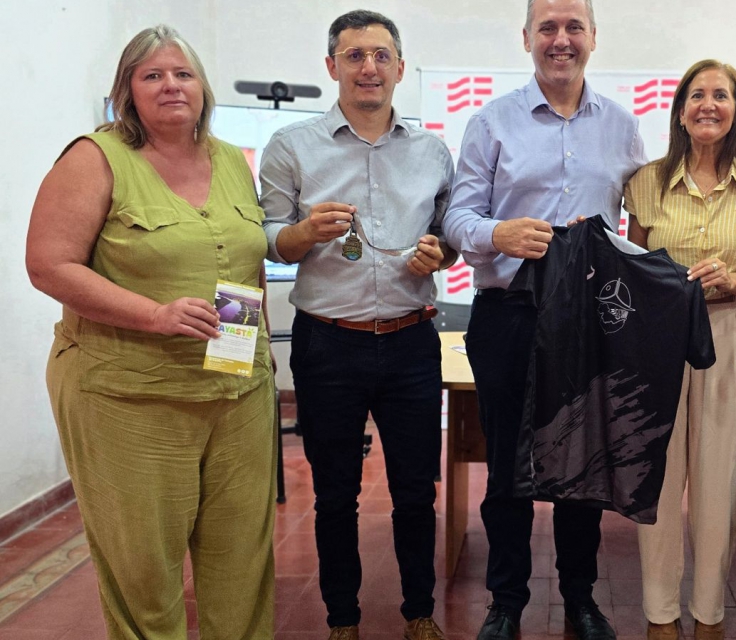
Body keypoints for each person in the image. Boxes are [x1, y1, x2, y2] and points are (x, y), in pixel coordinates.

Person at [26, 25, 275, 639]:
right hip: (127, 395)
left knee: (242, 559)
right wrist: (154, 315)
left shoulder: (230, 159)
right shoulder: (95, 157)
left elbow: (245, 264)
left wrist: (258, 356)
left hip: (235, 389)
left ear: (202, 87)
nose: (171, 86)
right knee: (144, 568)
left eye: (183, 74)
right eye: (152, 75)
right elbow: (48, 265)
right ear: (127, 91)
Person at [442, 1, 645, 638]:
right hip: (509, 315)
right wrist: (497, 233)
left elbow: (638, 227)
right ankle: (506, 601)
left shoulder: (623, 127)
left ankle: (580, 598)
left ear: (593, 38)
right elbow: (458, 219)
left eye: (573, 27)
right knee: (507, 467)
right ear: (527, 37)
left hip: (590, 321)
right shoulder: (490, 121)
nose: (561, 40)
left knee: (583, 464)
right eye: (548, 28)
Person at [259, 10, 454, 640]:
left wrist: (441, 254)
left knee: (416, 492)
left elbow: (448, 237)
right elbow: (267, 238)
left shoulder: (432, 151)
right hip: (328, 344)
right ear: (331, 66)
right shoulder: (291, 146)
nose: (368, 67)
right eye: (354, 55)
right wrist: (302, 233)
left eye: (380, 55)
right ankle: (342, 619)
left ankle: (419, 612)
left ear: (399, 67)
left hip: (411, 341)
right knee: (335, 493)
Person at [622, 59, 736, 640]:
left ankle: (710, 614)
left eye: (721, 95)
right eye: (697, 95)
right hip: (658, 340)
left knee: (720, 485)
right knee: (659, 479)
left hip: (732, 334)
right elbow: (633, 265)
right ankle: (660, 615)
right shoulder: (646, 181)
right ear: (680, 111)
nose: (708, 105)